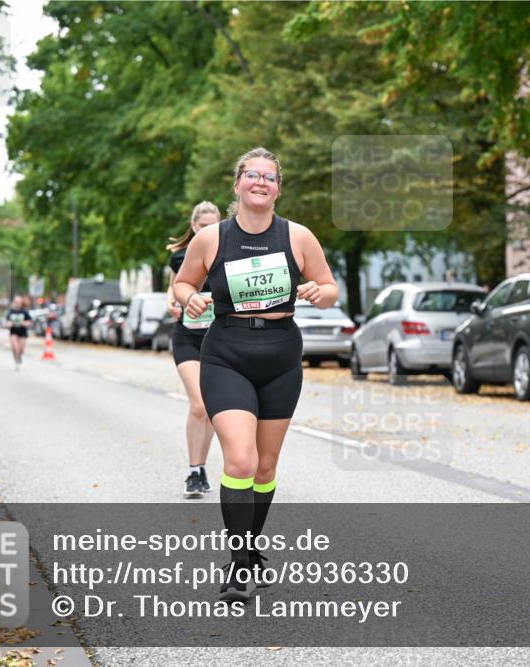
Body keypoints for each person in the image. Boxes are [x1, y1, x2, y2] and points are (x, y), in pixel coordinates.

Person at [174, 147, 338, 602]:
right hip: (227, 352)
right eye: (252, 174)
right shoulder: (212, 239)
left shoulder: (298, 236)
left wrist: (316, 292)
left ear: (278, 188)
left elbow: (329, 289)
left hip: (281, 354)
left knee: (265, 467)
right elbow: (183, 282)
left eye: (270, 176)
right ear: (238, 184)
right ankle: (240, 563)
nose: (260, 182)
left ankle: (250, 551)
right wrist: (191, 297)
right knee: (241, 460)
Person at [166, 201, 223, 498]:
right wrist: (170, 301)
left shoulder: (228, 254)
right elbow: (176, 284)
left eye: (214, 225)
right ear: (194, 227)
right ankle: (192, 470)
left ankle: (201, 468)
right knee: (199, 404)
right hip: (188, 336)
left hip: (219, 339)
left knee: (212, 409)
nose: (208, 231)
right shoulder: (180, 256)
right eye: (203, 226)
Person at [5, 295, 32, 370]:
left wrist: (23, 323)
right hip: (13, 331)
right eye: (16, 302)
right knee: (15, 347)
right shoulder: (11, 311)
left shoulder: (24, 312)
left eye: (19, 302)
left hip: (22, 332)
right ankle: (16, 361)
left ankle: (19, 357)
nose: (17, 304)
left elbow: (29, 322)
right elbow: (7, 322)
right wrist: (9, 324)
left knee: (21, 349)